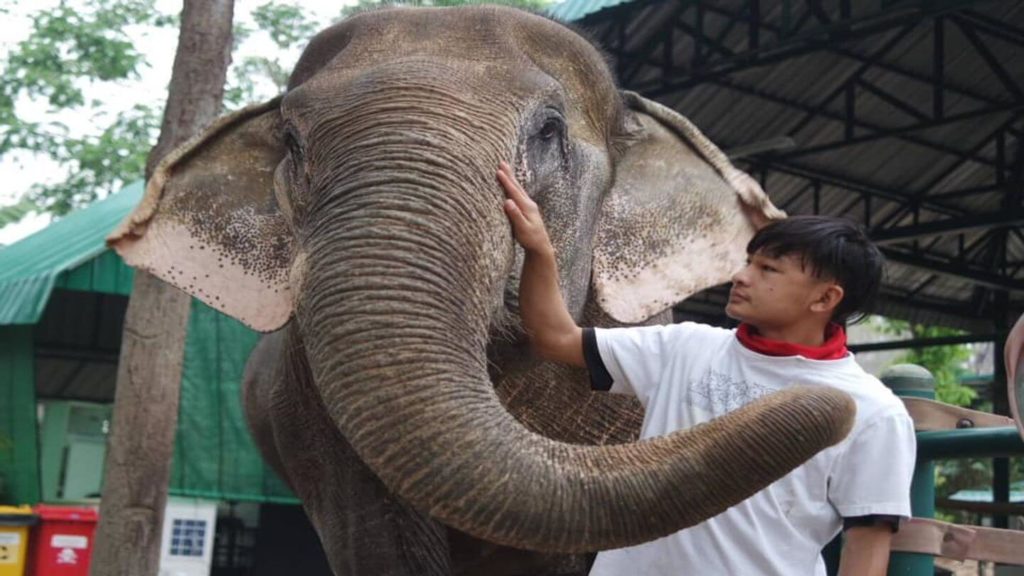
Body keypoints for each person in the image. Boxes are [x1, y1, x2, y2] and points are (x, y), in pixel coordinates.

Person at [497, 161, 916, 576]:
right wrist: (540, 249)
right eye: (749, 261)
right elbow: (555, 338)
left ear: (824, 299)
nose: (741, 276)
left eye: (768, 269)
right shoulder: (685, 348)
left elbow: (866, 548)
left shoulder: (873, 412)